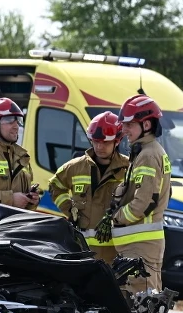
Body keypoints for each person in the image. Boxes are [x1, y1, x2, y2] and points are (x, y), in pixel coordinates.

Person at [95, 94, 172, 294]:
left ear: (146, 125)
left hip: (141, 246)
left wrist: (116, 218)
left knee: (142, 303)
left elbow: (144, 202)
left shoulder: (148, 155)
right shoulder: (145, 152)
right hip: (137, 246)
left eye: (129, 124)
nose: (124, 129)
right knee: (136, 301)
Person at [47, 111, 131, 264]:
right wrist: (69, 209)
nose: (99, 147)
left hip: (116, 251)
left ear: (117, 141)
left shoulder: (129, 168)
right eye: (96, 141)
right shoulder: (75, 167)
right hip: (82, 251)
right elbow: (55, 186)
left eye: (105, 142)